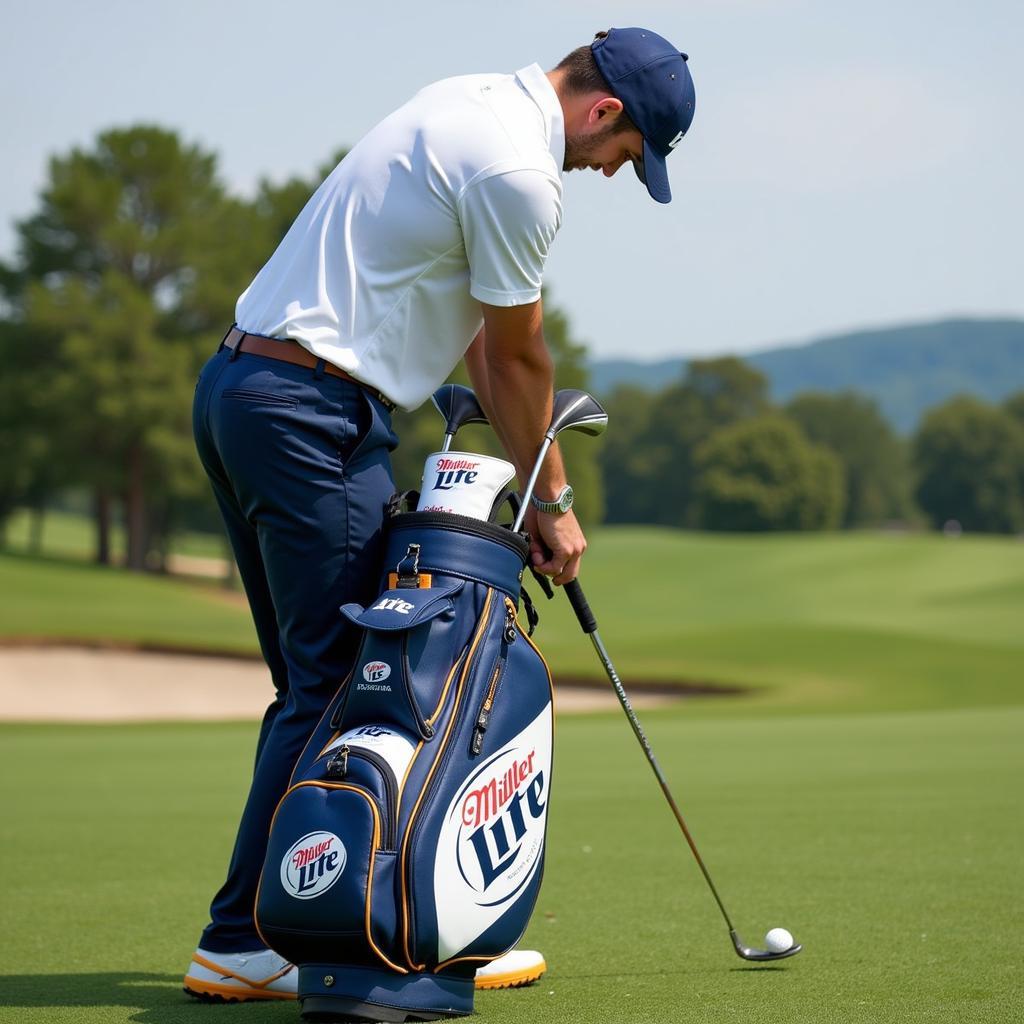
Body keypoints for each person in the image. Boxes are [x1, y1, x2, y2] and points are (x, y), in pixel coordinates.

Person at [184, 25, 695, 1004]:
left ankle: (413, 914)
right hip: (313, 412)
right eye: (625, 157)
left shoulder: (463, 100)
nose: (609, 173)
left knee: (315, 681)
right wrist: (551, 501)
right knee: (348, 676)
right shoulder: (520, 172)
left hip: (244, 388)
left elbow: (473, 335)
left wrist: (522, 475)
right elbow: (517, 358)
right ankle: (253, 937)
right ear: (604, 112)